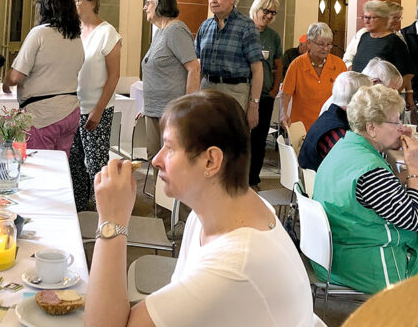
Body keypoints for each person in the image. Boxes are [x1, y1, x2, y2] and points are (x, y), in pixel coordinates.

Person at [85, 90, 316, 327]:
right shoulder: (219, 209)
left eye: (170, 148)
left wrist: (112, 221)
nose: (156, 159)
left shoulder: (235, 264)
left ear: (210, 161)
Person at [312, 84, 418, 294]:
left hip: (341, 249)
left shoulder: (347, 145)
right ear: (372, 128)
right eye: (395, 121)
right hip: (369, 260)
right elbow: (417, 220)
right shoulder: (370, 170)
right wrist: (414, 168)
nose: (402, 127)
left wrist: (413, 181)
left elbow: (373, 194)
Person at [4, 0, 84, 156]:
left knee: (37, 167)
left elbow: (16, 75)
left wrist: (5, 82)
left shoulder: (39, 33)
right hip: (70, 111)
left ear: (45, 7)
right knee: (59, 167)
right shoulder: (76, 37)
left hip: (43, 114)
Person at [68, 0, 122, 211]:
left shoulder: (107, 33)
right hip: (72, 107)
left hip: (96, 108)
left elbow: (114, 75)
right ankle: (80, 207)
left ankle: (103, 211)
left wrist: (98, 110)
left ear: (92, 2)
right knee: (73, 163)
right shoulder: (73, 30)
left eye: (78, 0)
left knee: (95, 164)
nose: (74, 4)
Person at [195, 0, 263, 129]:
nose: (213, 0)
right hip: (206, 89)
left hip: (235, 91)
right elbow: (197, 65)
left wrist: (254, 106)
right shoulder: (205, 26)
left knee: (232, 142)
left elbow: (257, 70)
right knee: (205, 139)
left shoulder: (246, 26)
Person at [142, 0, 199, 162]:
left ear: (161, 6)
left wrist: (188, 106)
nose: (145, 8)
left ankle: (171, 190)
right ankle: (162, 190)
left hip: (171, 109)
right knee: (155, 156)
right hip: (153, 108)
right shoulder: (160, 32)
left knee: (170, 159)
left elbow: (194, 69)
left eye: (149, 3)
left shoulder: (176, 30)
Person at [298, 71, 372, 171]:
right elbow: (351, 167)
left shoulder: (329, 115)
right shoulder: (339, 131)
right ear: (358, 99)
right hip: (320, 183)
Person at [280, 22, 346, 131]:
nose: (326, 48)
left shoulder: (339, 64)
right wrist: (283, 114)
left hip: (330, 126)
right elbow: (286, 93)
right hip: (302, 126)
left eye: (329, 44)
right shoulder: (297, 65)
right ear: (309, 43)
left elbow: (346, 96)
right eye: (321, 44)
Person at [248, 0, 283, 190]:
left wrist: (274, 88)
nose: (269, 16)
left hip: (265, 96)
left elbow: (278, 65)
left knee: (259, 139)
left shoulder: (273, 36)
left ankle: (253, 178)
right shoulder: (246, 30)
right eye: (266, 11)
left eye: (273, 13)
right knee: (243, 138)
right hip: (246, 94)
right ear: (256, 9)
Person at [353, 0, 413, 108]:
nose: (367, 21)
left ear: (384, 19)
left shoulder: (395, 42)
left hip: (380, 101)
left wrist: (388, 97)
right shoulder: (364, 37)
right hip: (360, 97)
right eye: (365, 17)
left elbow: (407, 75)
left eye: (372, 18)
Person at [343, 1, 405, 70]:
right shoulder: (363, 35)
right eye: (394, 18)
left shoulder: (397, 39)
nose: (397, 21)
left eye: (399, 18)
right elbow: (348, 58)